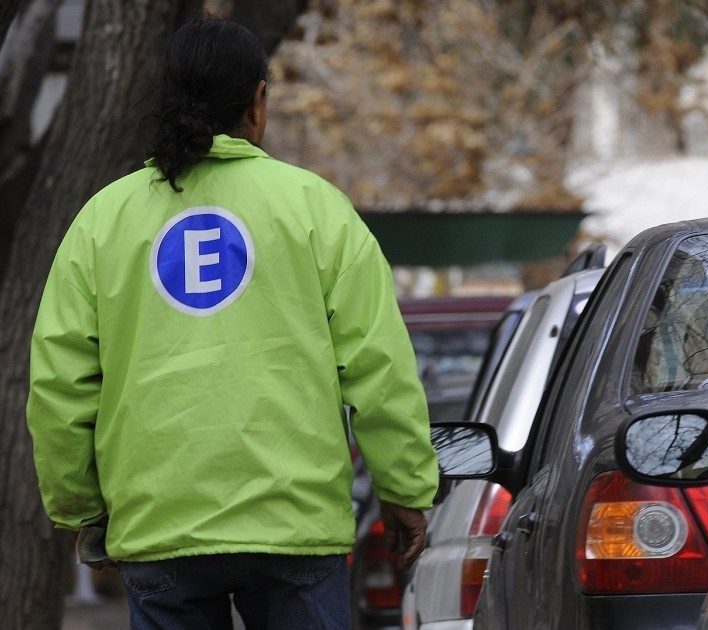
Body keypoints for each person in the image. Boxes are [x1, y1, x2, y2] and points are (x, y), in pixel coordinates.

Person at [26, 17, 437, 629]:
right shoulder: (315, 209)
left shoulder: (103, 221)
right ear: (258, 101)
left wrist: (81, 509)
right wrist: (404, 489)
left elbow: (61, 384)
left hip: (160, 527)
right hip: (294, 526)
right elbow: (379, 367)